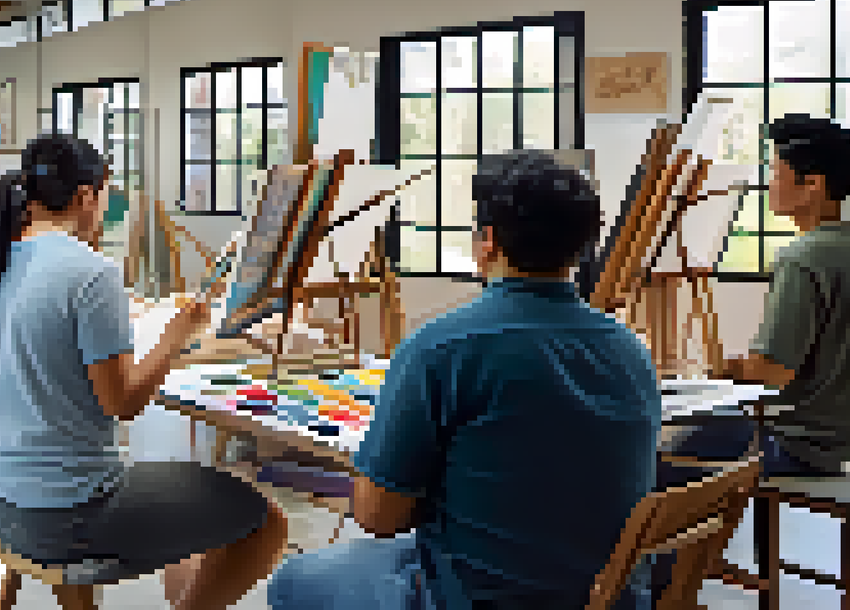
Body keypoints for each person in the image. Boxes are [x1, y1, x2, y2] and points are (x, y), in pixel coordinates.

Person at [269, 150, 659, 610]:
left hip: (470, 597)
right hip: (602, 597)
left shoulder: (442, 347)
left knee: (293, 578)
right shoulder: (631, 351)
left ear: (488, 241)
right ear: (583, 245)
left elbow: (377, 516)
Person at [0, 133, 288, 610]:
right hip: (62, 513)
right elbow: (123, 403)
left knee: (181, 492)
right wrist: (178, 335)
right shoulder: (90, 271)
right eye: (104, 200)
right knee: (267, 521)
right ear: (84, 196)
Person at [658, 113, 850, 487]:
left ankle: (677, 549)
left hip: (795, 444)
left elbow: (773, 371)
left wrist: (721, 370)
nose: (769, 185)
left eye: (777, 174)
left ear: (812, 184)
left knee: (654, 462)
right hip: (844, 442)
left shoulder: (803, 256)